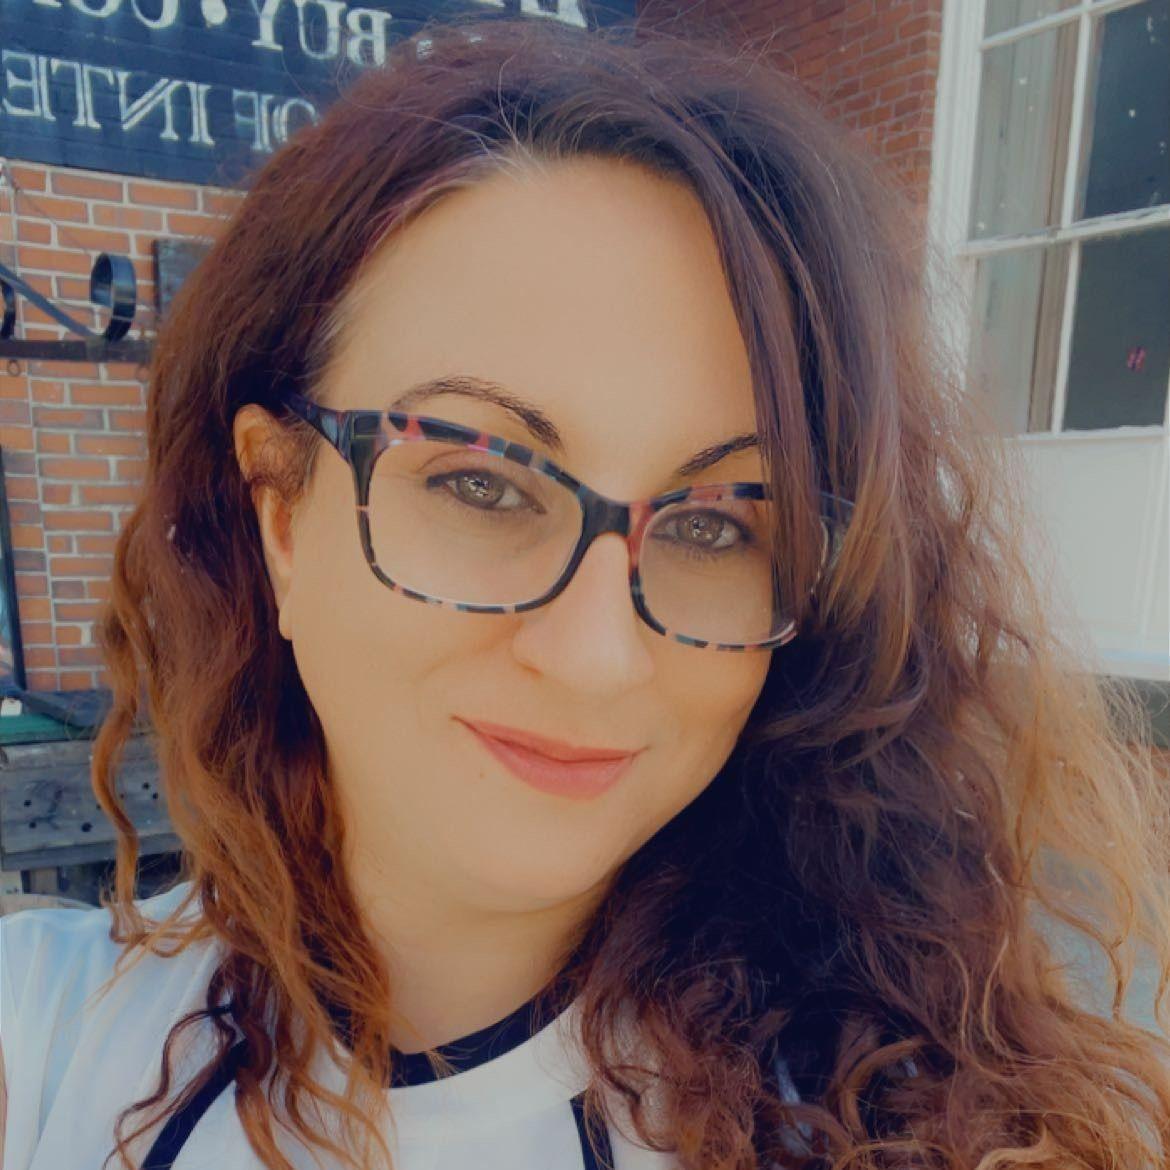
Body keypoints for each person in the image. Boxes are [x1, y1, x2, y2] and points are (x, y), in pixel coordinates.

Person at [2, 16, 1168, 1170]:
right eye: (481, 482)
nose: (597, 656)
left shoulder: (906, 1128)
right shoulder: (44, 1045)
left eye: (715, 525)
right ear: (280, 511)